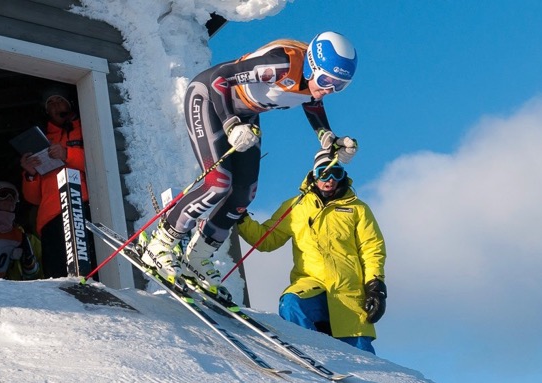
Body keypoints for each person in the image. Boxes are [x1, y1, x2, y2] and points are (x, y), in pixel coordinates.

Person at [140, 31, 360, 300]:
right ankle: (161, 242)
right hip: (208, 99)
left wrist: (328, 137)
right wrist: (231, 123)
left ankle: (198, 256)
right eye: (326, 80)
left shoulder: (313, 82)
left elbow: (312, 100)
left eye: (340, 85)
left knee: (245, 193)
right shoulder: (280, 64)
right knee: (218, 184)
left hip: (245, 115)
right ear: (311, 65)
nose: (329, 89)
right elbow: (221, 79)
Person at [236, 149, 387, 354]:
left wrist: (375, 286)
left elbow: (372, 248)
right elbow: (266, 240)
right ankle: (308, 356)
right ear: (314, 175)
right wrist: (240, 217)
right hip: (312, 285)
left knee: (362, 359)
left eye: (337, 173)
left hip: (348, 295)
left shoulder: (357, 209)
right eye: (324, 173)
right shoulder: (296, 207)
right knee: (292, 303)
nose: (330, 179)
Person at [19, 89, 95, 278]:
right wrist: (30, 174)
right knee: (58, 277)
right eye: (50, 104)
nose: (55, 106)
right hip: (50, 216)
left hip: (83, 207)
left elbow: (101, 163)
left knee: (90, 272)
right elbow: (33, 198)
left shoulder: (88, 127)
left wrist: (68, 154)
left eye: (58, 101)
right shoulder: (42, 139)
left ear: (70, 104)